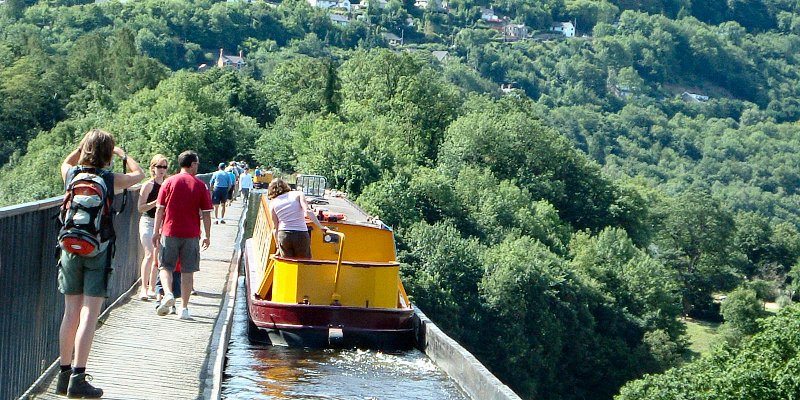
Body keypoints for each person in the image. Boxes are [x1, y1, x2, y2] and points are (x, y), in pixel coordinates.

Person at [57, 129, 144, 397]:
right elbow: (140, 175)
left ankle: (63, 374)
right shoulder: (110, 178)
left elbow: (64, 162)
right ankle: (78, 379)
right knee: (88, 314)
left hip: (70, 247)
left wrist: (81, 145)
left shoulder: (72, 174)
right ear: (107, 154)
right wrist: (123, 154)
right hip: (98, 249)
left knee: (70, 312)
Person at [152, 150, 213, 320]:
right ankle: (184, 309)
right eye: (197, 163)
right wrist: (207, 235)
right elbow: (207, 213)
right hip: (191, 234)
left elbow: (159, 209)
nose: (197, 166)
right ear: (192, 164)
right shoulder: (200, 185)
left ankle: (169, 294)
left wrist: (156, 231)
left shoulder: (168, 182)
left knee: (165, 267)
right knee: (188, 271)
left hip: (169, 231)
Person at [267, 179, 328, 258]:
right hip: (300, 234)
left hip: (284, 235)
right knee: (304, 263)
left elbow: (275, 228)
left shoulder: (273, 203)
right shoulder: (298, 194)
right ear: (286, 185)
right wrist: (321, 227)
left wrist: (278, 247)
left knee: (288, 264)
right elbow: (308, 211)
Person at [137, 154, 168, 301]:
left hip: (162, 223)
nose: (161, 169)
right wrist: (156, 202)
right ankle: (143, 288)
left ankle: (152, 288)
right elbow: (140, 208)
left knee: (157, 258)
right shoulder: (148, 185)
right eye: (159, 166)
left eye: (164, 167)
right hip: (148, 221)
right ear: (153, 168)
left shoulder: (168, 184)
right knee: (149, 254)